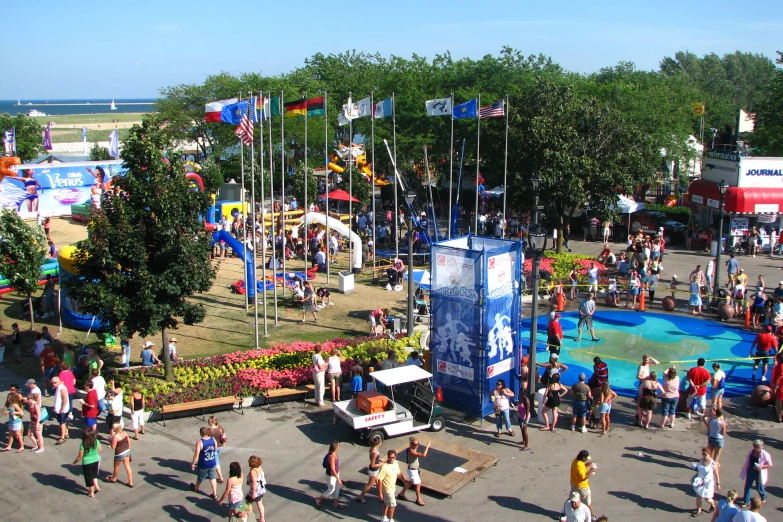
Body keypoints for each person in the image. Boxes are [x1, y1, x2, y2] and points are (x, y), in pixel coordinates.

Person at [376, 449, 409, 522]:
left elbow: (399, 473)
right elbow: (380, 480)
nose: (392, 459)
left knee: (386, 503)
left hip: (392, 487)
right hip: (387, 490)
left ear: (395, 457)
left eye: (393, 457)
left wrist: (404, 482)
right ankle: (391, 520)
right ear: (388, 457)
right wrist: (380, 494)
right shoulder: (384, 467)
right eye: (390, 457)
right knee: (393, 505)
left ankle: (384, 517)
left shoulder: (396, 463)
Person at [739, 440, 773, 508]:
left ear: (759, 447)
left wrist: (761, 467)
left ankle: (763, 497)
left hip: (759, 472)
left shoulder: (765, 454)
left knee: (759, 487)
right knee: (747, 486)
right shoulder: (751, 452)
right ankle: (746, 502)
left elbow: (770, 464)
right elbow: (748, 460)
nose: (753, 447)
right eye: (753, 445)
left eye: (755, 446)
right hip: (750, 470)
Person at [398, 437, 431, 506]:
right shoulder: (412, 451)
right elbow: (423, 455)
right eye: (414, 444)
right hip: (412, 471)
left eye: (417, 444)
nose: (416, 446)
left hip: (414, 470)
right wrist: (427, 447)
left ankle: (401, 494)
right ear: (411, 444)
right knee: (418, 484)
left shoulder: (414, 449)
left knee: (410, 482)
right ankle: (418, 499)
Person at [190, 426, 219, 499]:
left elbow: (197, 454)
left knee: (201, 477)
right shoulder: (213, 439)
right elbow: (216, 449)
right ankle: (215, 494)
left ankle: (196, 488)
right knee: (212, 478)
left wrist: (193, 463)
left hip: (203, 464)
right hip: (212, 462)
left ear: (201, 433)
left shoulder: (200, 442)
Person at [72, 428, 102, 496]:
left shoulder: (83, 445)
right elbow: (100, 449)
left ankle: (91, 493)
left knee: (89, 478)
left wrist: (74, 462)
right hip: (96, 460)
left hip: (87, 463)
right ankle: (97, 487)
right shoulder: (97, 441)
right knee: (94, 475)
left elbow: (80, 457)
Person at [693, 445, 721, 517]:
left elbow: (717, 473)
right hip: (700, 481)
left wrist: (718, 484)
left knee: (707, 498)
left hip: (708, 483)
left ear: (709, 454)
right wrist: (695, 467)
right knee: (698, 496)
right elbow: (699, 469)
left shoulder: (712, 463)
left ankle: (713, 504)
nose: (703, 455)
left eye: (705, 454)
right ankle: (698, 510)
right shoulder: (701, 460)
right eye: (702, 454)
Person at [315, 441, 344, 509]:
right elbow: (333, 470)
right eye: (338, 445)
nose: (340, 446)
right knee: (331, 489)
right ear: (336, 448)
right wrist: (338, 479)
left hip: (336, 474)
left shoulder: (334, 454)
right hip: (331, 476)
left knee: (337, 488)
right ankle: (319, 499)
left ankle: (335, 502)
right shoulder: (331, 457)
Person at [570, 450, 597, 519]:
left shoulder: (575, 461)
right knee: (588, 503)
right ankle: (592, 516)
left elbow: (579, 468)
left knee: (574, 500)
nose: (586, 459)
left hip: (574, 484)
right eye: (586, 458)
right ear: (583, 458)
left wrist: (586, 464)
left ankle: (569, 514)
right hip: (582, 487)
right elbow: (583, 478)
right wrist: (592, 470)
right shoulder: (580, 466)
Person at [106, 422, 133, 487]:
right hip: (127, 451)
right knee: (127, 466)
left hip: (119, 453)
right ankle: (130, 482)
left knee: (116, 466)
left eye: (113, 427)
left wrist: (110, 441)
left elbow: (113, 447)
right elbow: (128, 441)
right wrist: (128, 449)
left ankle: (113, 478)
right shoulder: (124, 432)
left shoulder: (116, 436)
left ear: (116, 428)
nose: (112, 428)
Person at [207, 416, 227, 484]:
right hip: (220, 446)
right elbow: (224, 436)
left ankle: (221, 477)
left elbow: (207, 439)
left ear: (211, 422)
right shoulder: (220, 427)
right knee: (215, 458)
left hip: (213, 448)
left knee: (216, 462)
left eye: (209, 421)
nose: (208, 422)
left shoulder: (209, 430)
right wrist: (223, 443)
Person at [51, 375, 70, 444]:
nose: (53, 384)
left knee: (62, 423)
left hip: (62, 410)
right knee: (64, 421)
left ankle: (62, 437)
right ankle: (66, 433)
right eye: (52, 383)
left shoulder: (62, 388)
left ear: (59, 381)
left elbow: (65, 399)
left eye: (55, 382)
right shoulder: (59, 387)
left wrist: (62, 408)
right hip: (60, 409)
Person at [246, 455, 266, 521]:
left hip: (255, 490)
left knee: (248, 503)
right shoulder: (259, 468)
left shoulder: (253, 471)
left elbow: (254, 483)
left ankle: (250, 518)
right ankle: (262, 519)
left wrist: (253, 493)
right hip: (261, 489)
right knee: (260, 503)